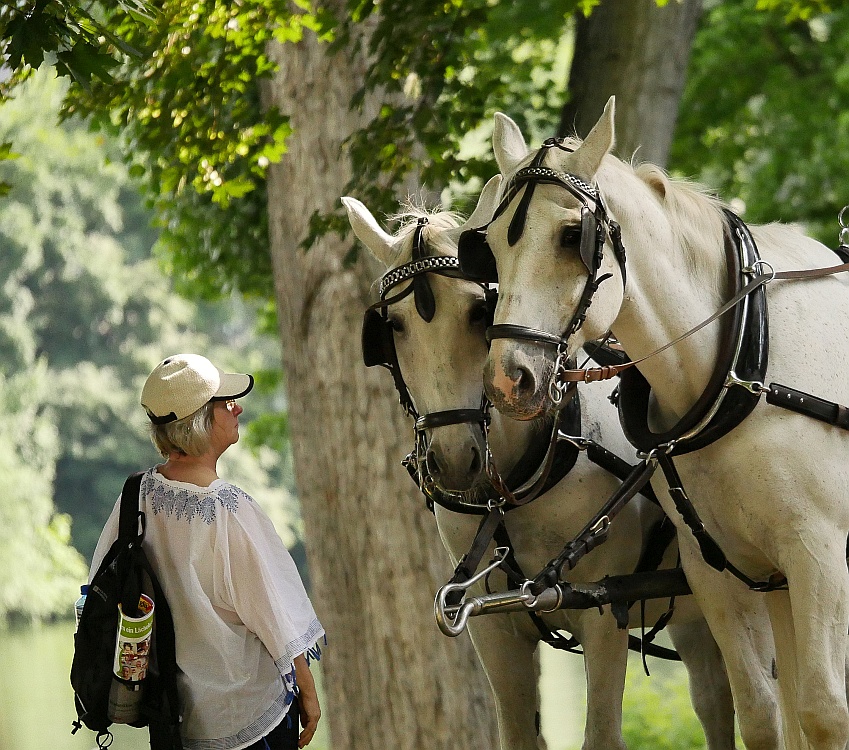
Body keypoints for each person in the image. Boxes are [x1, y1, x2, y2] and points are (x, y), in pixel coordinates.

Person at [89, 353, 323, 750]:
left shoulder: (134, 498)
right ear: (200, 419)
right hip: (247, 718)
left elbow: (99, 588)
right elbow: (273, 614)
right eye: (226, 403)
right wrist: (307, 685)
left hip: (175, 723)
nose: (238, 408)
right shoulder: (229, 510)